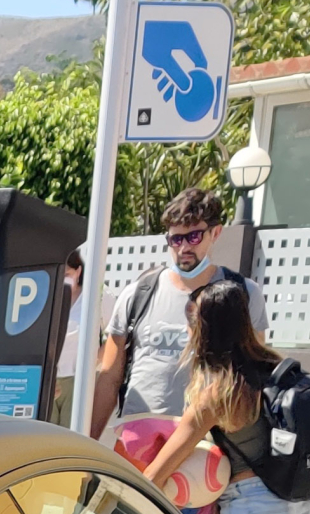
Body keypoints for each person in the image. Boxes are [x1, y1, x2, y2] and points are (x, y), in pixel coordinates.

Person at [136, 276, 310, 514]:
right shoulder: (281, 372)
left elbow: (156, 475)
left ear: (205, 330)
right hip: (299, 513)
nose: (187, 330)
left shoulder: (220, 393)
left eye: (190, 321)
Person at [88, 188, 265, 439]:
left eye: (193, 237)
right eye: (175, 239)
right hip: (138, 434)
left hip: (208, 439)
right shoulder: (137, 294)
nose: (183, 248)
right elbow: (109, 377)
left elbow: (253, 374)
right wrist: (88, 447)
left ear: (215, 233)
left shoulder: (243, 295)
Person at [52, 247, 85, 426]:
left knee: (70, 434)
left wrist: (92, 362)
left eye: (67, 273)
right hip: (50, 379)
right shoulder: (48, 296)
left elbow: (114, 333)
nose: (63, 279)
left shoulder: (93, 298)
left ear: (78, 271)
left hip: (75, 379)